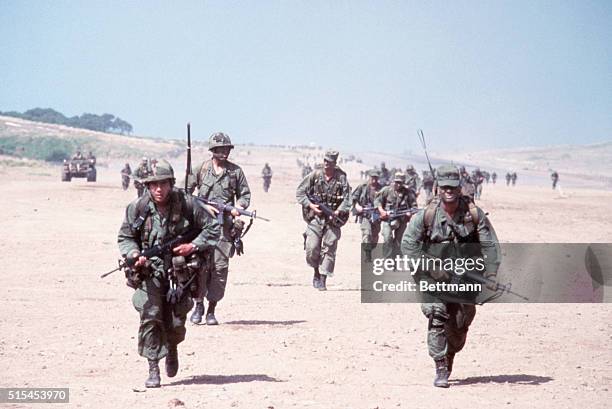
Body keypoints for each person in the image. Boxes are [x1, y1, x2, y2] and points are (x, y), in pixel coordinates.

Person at [117, 160, 220, 388]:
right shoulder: (138, 208)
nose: (158, 189)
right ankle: (153, 367)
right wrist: (134, 253)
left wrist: (192, 247)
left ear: (171, 183)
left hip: (179, 270)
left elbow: (213, 227)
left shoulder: (187, 204)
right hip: (150, 270)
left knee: (176, 320)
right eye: (153, 185)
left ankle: (172, 347)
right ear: (147, 186)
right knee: (151, 316)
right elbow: (125, 237)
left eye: (163, 183)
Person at [401, 165, 500, 388]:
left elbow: (489, 244)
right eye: (444, 186)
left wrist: (491, 272)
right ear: (437, 187)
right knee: (437, 315)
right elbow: (408, 245)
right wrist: (432, 267)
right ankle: (440, 368)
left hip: (465, 278)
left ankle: (450, 355)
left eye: (453, 187)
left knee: (459, 324)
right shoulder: (426, 215)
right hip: (431, 278)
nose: (449, 191)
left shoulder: (473, 214)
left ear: (459, 187)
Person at [188, 132, 251, 325]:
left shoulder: (235, 172)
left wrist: (238, 208)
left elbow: (245, 195)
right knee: (198, 266)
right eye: (220, 149)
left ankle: (212, 309)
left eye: (226, 149)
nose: (224, 153)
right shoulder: (200, 169)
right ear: (213, 151)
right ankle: (198, 304)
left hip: (224, 228)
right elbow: (185, 194)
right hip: (200, 226)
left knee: (220, 268)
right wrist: (202, 207)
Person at [296, 150, 351, 290]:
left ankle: (323, 278)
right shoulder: (315, 175)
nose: (326, 164)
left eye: (330, 162)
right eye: (325, 161)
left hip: (333, 220)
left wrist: (338, 211)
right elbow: (300, 192)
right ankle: (315, 271)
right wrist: (311, 206)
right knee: (312, 248)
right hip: (316, 218)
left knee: (329, 247)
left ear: (335, 163)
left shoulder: (341, 178)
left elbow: (348, 198)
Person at [375, 172, 417, 259]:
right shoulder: (387, 190)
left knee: (399, 240)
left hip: (402, 220)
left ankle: (395, 257)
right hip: (388, 219)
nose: (397, 184)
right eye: (396, 182)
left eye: (400, 183)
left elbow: (414, 206)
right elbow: (377, 201)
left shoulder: (408, 192)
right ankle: (387, 258)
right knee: (387, 238)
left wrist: (410, 212)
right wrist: (382, 211)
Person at [351, 169, 383, 262]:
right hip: (365, 214)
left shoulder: (382, 189)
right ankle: (367, 255)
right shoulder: (363, 187)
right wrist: (357, 206)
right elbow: (353, 198)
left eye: (376, 178)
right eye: (372, 178)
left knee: (374, 236)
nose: (374, 180)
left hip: (376, 215)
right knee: (366, 233)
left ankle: (370, 248)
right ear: (369, 177)